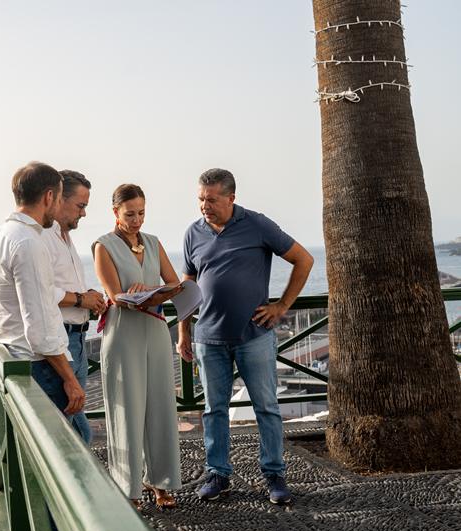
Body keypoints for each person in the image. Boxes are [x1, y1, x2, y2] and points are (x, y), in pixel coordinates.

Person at [0, 160, 86, 531]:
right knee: (67, 460)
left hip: (13, 363)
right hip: (40, 368)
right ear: (49, 197)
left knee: (56, 455)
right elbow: (41, 329)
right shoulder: (30, 243)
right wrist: (70, 377)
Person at [177, 168, 313, 505]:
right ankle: (217, 474)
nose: (204, 206)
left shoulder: (257, 224)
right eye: (200, 199)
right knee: (214, 410)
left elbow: (303, 259)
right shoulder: (193, 233)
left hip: (254, 335)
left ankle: (274, 476)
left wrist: (282, 305)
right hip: (208, 337)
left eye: (211, 199)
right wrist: (183, 331)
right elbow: (187, 286)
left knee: (266, 407)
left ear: (231, 198)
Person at [93, 183, 183, 508]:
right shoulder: (103, 247)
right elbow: (116, 296)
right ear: (115, 212)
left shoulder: (155, 243)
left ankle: (161, 482)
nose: (137, 220)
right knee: (127, 409)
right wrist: (146, 292)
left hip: (156, 329)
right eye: (130, 214)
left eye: (142, 213)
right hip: (123, 333)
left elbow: (174, 284)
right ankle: (127, 488)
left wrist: (165, 290)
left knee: (161, 405)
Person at [43, 169, 107, 445]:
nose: (83, 214)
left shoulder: (64, 236)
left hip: (76, 339)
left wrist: (87, 296)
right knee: (72, 435)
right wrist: (81, 299)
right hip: (62, 340)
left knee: (77, 432)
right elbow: (43, 291)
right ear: (57, 199)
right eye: (80, 206)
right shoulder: (43, 237)